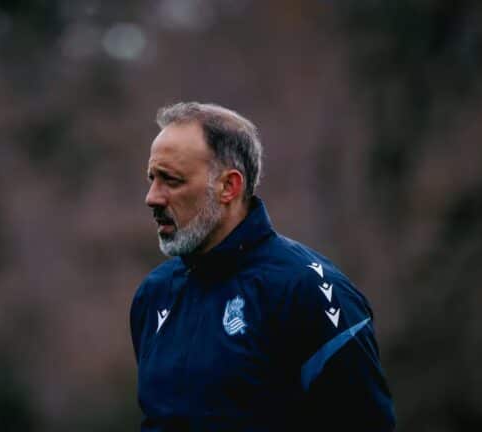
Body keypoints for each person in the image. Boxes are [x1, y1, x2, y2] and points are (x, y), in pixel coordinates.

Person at [130, 102, 396, 431]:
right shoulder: (154, 295)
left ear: (229, 186)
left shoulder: (311, 291)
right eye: (152, 178)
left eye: (170, 180)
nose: (152, 197)